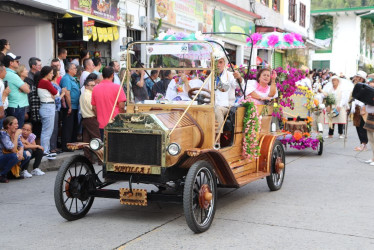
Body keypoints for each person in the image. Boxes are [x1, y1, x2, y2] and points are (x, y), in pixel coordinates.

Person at [91, 67, 126, 138]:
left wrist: (100, 117)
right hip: (115, 122)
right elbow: (121, 107)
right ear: (112, 75)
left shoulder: (95, 88)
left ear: (102, 75)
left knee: (105, 145)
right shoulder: (117, 87)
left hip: (101, 123)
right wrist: (122, 119)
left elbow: (94, 107)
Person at [3, 53, 30, 128]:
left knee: (13, 129)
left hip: (13, 105)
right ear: (11, 63)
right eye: (17, 61)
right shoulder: (12, 75)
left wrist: (24, 85)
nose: (19, 63)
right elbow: (27, 90)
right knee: (17, 130)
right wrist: (25, 85)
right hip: (16, 106)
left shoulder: (7, 73)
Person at [0, 116, 31, 182]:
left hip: (11, 155)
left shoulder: (15, 132)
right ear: (9, 125)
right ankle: (2, 174)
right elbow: (13, 150)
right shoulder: (3, 134)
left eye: (17, 123)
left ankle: (12, 174)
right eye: (15, 124)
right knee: (16, 156)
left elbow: (21, 145)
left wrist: (21, 152)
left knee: (27, 154)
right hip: (2, 157)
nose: (17, 125)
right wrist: (16, 136)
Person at [37, 66, 59, 159]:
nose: (52, 74)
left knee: (48, 130)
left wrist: (53, 94)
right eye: (51, 73)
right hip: (47, 106)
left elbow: (55, 94)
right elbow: (56, 93)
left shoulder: (45, 81)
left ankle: (46, 150)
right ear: (46, 74)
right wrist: (53, 94)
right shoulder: (45, 82)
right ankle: (45, 151)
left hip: (47, 106)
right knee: (47, 131)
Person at [60, 63, 80, 152]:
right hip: (69, 107)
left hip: (75, 106)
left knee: (73, 127)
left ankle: (72, 144)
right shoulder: (66, 78)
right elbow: (67, 94)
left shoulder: (73, 79)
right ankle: (66, 146)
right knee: (68, 127)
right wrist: (70, 107)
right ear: (69, 70)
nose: (76, 69)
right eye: (74, 68)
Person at [80, 77, 100, 163]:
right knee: (97, 139)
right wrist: (98, 116)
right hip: (91, 118)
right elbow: (93, 108)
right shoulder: (89, 95)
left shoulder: (83, 94)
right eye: (91, 86)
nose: (93, 87)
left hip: (85, 119)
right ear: (86, 86)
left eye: (94, 85)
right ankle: (101, 159)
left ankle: (88, 159)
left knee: (86, 141)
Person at [50, 67, 66, 154]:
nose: (60, 73)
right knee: (53, 128)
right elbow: (56, 99)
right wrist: (63, 93)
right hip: (54, 108)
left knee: (56, 128)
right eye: (58, 72)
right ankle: (52, 147)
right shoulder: (52, 84)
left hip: (58, 108)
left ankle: (54, 146)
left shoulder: (56, 83)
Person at [351, 71, 368, 151]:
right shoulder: (356, 86)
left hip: (363, 109)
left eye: (357, 77)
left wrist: (363, 108)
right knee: (358, 126)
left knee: (362, 127)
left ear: (361, 78)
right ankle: (362, 143)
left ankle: (364, 144)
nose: (355, 78)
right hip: (356, 108)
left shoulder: (365, 87)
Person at [363, 79, 374, 165]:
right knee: (370, 138)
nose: (370, 85)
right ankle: (373, 157)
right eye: (369, 84)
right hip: (370, 115)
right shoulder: (367, 93)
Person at [0, 63, 10, 128]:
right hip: (1, 111)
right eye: (5, 71)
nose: (6, 73)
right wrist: (5, 94)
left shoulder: (1, 81)